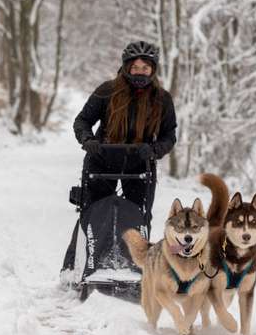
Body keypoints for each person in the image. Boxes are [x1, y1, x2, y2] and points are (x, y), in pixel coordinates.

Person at [61, 40, 177, 272]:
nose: (140, 72)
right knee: (93, 212)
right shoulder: (107, 91)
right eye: (136, 67)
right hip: (102, 159)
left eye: (146, 68)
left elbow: (168, 135)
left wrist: (153, 150)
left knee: (138, 216)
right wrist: (89, 141)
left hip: (140, 164)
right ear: (126, 67)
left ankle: (135, 264)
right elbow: (82, 121)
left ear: (153, 70)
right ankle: (79, 264)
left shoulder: (162, 99)